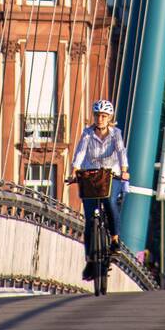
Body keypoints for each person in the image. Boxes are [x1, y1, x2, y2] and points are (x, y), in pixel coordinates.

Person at [66, 99, 130, 282]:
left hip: (112, 175)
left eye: (103, 116)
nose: (100, 119)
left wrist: (124, 171)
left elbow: (121, 152)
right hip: (91, 175)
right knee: (89, 221)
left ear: (109, 118)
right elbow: (80, 153)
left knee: (110, 202)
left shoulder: (115, 134)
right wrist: (74, 170)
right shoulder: (87, 133)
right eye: (97, 115)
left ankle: (115, 240)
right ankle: (89, 261)